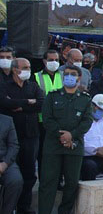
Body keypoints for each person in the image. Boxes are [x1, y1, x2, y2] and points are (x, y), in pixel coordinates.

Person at [36, 65, 92, 214]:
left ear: (79, 78)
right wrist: (62, 136)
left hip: (74, 146)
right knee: (48, 182)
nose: (69, 77)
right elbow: (47, 119)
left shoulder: (85, 99)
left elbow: (87, 121)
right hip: (53, 146)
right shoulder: (52, 96)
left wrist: (71, 135)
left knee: (71, 182)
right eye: (66, 74)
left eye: (72, 74)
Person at [0, 58, 44, 214]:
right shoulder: (5, 86)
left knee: (29, 171)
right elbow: (5, 103)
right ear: (15, 69)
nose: (28, 70)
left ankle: (24, 205)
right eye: (25, 67)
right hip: (11, 137)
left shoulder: (33, 86)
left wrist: (20, 105)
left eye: (29, 67)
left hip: (31, 134)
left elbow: (42, 103)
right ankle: (10, 206)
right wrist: (28, 102)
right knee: (13, 171)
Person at [34, 50, 63, 178]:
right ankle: (43, 180)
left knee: (59, 153)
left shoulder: (64, 75)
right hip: (42, 121)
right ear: (44, 61)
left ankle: (58, 181)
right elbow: (36, 99)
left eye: (56, 60)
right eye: (51, 60)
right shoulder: (36, 76)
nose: (54, 62)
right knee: (43, 153)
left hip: (61, 121)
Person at [0, 113, 21, 214]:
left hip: (5, 161)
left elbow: (14, 145)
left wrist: (4, 164)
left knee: (15, 180)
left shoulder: (7, 121)